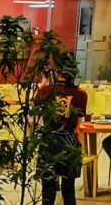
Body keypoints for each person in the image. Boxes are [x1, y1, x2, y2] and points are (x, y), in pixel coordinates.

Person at [38, 56, 87, 205]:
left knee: (48, 189)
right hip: (69, 142)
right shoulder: (81, 94)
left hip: (48, 142)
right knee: (68, 189)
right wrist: (81, 148)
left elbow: (36, 119)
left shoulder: (45, 91)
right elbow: (79, 125)